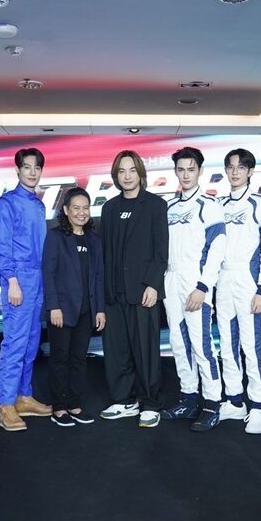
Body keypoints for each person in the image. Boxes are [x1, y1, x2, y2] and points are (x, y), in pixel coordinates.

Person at [159, 146, 227, 432]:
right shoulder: (169, 207)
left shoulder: (209, 205)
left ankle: (212, 403)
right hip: (171, 280)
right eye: (181, 169)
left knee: (201, 344)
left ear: (200, 171)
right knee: (178, 342)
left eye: (191, 169)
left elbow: (217, 248)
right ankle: (188, 397)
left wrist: (202, 286)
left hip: (196, 281)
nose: (186, 175)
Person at [99, 150, 168, 428]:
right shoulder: (109, 208)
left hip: (143, 292)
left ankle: (150, 403)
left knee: (146, 351)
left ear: (140, 172)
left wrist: (153, 284)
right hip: (114, 293)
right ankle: (124, 400)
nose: (127, 176)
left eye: (131, 170)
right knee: (117, 350)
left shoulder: (155, 205)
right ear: (115, 176)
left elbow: (161, 251)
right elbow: (105, 252)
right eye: (121, 171)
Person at [215, 149, 261, 434]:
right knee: (227, 344)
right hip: (223, 279)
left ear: (250, 171)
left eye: (241, 167)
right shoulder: (218, 205)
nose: (235, 172)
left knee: (252, 346)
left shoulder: (260, 203)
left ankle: (257, 406)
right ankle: (234, 400)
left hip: (248, 280)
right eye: (230, 167)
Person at [0, 148, 52, 431]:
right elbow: (2, 246)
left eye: (36, 168)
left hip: (38, 279)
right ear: (17, 170)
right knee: (15, 343)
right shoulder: (7, 203)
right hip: (19, 279)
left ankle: (23, 396)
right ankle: (5, 405)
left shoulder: (38, 205)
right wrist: (12, 281)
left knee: (31, 342)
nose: (32, 172)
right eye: (27, 167)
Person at [43, 188, 106, 427]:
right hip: (62, 310)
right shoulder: (55, 237)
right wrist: (53, 306)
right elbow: (48, 273)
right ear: (66, 210)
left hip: (86, 311)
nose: (81, 213)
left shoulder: (94, 240)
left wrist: (100, 309)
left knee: (79, 359)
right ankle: (59, 407)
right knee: (60, 358)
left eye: (85, 208)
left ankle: (75, 404)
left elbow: (98, 277)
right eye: (76, 208)